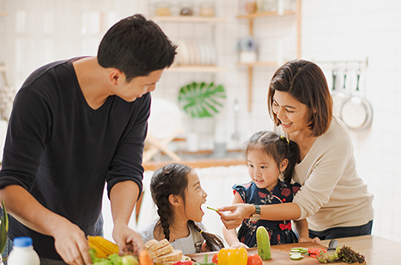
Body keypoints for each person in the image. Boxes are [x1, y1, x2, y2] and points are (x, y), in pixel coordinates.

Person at [0, 14, 177, 265]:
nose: (151, 90)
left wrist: (121, 223)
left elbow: (126, 170)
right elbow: (10, 189)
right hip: (27, 248)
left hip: (89, 241)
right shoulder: (40, 93)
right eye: (148, 84)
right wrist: (58, 226)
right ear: (115, 76)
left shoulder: (136, 100)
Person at [218, 59, 374, 240]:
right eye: (276, 104)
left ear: (314, 106)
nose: (279, 115)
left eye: (289, 109)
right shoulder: (284, 125)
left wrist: (253, 210)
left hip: (347, 223)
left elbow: (305, 204)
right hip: (306, 221)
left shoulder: (335, 141)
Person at [223, 131, 313, 248]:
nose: (256, 173)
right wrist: (235, 243)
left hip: (285, 248)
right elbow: (229, 225)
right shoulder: (243, 193)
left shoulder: (291, 192)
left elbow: (299, 219)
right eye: (251, 165)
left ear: (282, 165)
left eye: (262, 167)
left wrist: (304, 236)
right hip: (251, 248)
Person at [138, 163, 225, 255]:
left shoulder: (198, 231)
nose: (205, 194)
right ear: (175, 200)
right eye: (197, 188)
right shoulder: (143, 240)